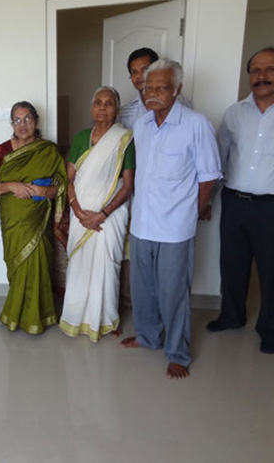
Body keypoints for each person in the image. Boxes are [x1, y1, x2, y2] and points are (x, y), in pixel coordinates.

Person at [120, 60, 221, 379]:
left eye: (161, 87)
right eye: (148, 87)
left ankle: (178, 352)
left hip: (175, 227)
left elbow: (208, 177)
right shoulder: (142, 125)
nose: (152, 93)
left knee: (173, 292)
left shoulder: (196, 124)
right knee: (142, 288)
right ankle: (148, 336)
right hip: (142, 224)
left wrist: (195, 211)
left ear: (177, 89)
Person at [207, 47, 274, 354]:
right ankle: (232, 315)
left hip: (270, 208)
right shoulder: (234, 113)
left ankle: (270, 330)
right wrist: (209, 197)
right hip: (234, 202)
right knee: (232, 265)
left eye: (270, 69)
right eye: (256, 71)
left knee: (270, 270)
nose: (262, 76)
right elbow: (220, 158)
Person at [60, 87, 135, 341]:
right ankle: (75, 316)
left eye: (109, 103)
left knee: (108, 266)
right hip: (81, 214)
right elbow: (69, 178)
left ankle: (106, 319)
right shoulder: (81, 137)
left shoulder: (125, 138)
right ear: (92, 108)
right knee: (79, 266)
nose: (103, 108)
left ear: (117, 109)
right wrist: (78, 211)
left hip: (110, 216)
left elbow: (128, 185)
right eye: (98, 103)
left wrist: (102, 213)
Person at [0, 101, 67, 334]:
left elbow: (61, 186)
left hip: (38, 217)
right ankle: (16, 313)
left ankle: (39, 315)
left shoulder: (48, 150)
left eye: (28, 119)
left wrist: (43, 191)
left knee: (39, 262)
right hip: (13, 217)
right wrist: (12, 186)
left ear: (37, 121)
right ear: (11, 123)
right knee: (17, 264)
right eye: (17, 120)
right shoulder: (3, 150)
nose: (23, 125)